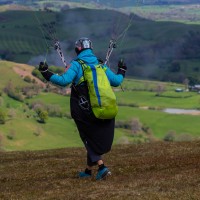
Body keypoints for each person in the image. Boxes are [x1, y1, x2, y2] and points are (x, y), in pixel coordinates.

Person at [38, 37, 127, 180]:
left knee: (87, 137)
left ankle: (102, 168)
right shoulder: (100, 65)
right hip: (102, 108)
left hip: (84, 110)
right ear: (90, 49)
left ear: (78, 49)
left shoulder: (77, 64)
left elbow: (64, 81)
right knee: (90, 137)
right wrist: (122, 70)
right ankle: (87, 171)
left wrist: (46, 73)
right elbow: (116, 81)